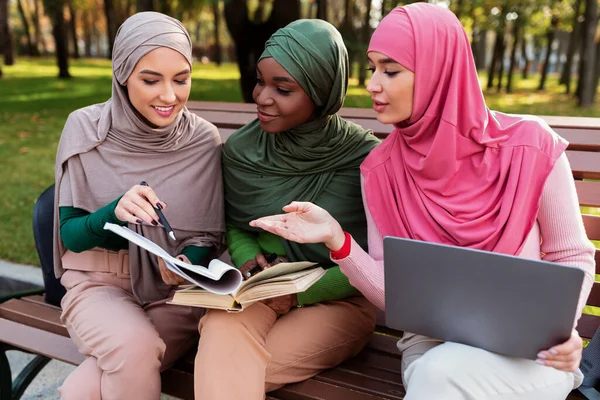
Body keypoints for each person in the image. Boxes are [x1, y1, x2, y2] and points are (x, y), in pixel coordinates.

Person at [251, 4, 596, 399]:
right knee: (438, 370)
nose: (373, 85)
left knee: (439, 376)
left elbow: (572, 254)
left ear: (438, 72)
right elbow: (393, 291)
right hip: (430, 346)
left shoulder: (530, 144)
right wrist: (338, 241)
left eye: (391, 70)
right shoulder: (381, 169)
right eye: (372, 68)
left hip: (529, 355)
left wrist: (559, 327)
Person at [193, 19, 380, 399]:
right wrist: (248, 257)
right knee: (223, 339)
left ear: (322, 91)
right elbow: (237, 222)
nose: (261, 97)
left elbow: (379, 262)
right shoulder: (243, 150)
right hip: (261, 289)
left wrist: (298, 293)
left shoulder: (365, 160)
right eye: (260, 80)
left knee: (226, 373)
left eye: (283, 88)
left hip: (337, 299)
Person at [53, 12, 225, 400]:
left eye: (181, 79)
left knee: (83, 389)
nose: (169, 96)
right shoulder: (86, 128)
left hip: (175, 295)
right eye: (151, 80)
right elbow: (71, 236)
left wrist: (187, 264)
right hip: (97, 286)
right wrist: (113, 213)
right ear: (122, 75)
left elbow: (207, 235)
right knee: (134, 348)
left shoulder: (202, 140)